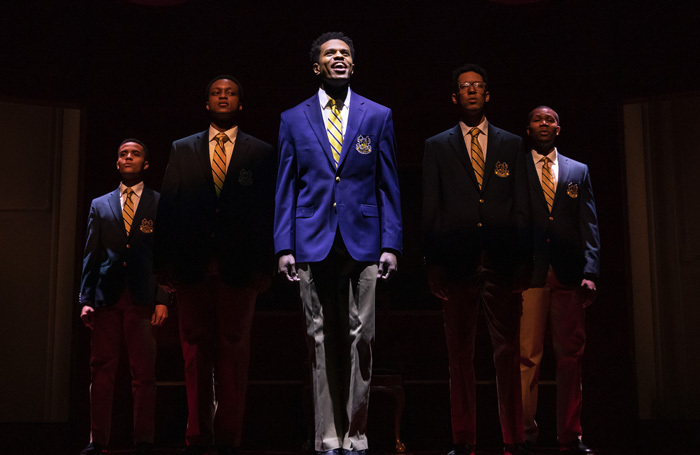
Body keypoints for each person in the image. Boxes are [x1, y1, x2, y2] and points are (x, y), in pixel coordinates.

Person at [274, 32, 402, 455]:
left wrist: (391, 244)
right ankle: (327, 436)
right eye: (331, 53)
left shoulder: (377, 115)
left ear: (354, 63)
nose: (340, 58)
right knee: (318, 337)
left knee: (361, 335)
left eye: (346, 52)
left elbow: (388, 185)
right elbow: (286, 188)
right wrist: (284, 246)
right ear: (317, 66)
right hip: (312, 240)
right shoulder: (293, 118)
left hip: (364, 240)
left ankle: (357, 435)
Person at [154, 75, 276, 455]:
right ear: (207, 104)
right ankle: (197, 435)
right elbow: (168, 210)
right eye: (216, 93)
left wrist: (266, 265)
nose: (223, 97)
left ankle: (228, 438)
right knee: (194, 352)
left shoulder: (261, 151)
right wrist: (163, 266)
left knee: (234, 352)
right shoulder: (182, 149)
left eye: (231, 93)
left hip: (240, 269)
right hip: (191, 267)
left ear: (240, 103)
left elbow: (268, 213)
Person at [422, 64, 532, 455]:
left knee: (507, 352)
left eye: (478, 86)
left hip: (502, 259)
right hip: (456, 262)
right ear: (455, 97)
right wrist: (433, 263)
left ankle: (513, 438)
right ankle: (464, 439)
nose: (471, 91)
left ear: (488, 95)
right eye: (464, 87)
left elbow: (522, 205)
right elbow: (431, 209)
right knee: (459, 355)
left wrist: (523, 259)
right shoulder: (437, 145)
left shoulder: (512, 143)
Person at [79, 139, 169, 455]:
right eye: (122, 154)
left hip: (143, 297)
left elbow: (164, 254)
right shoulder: (100, 205)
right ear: (117, 163)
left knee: (144, 373)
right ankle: (97, 439)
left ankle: (143, 440)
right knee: (101, 370)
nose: (128, 157)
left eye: (135, 153)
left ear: (145, 164)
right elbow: (91, 254)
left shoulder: (159, 203)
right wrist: (86, 298)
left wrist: (162, 297)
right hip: (106, 297)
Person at [519, 106, 599, 455]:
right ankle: (524, 433)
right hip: (530, 273)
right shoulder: (516, 168)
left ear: (559, 128)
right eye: (538, 119)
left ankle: (570, 435)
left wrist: (591, 271)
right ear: (528, 128)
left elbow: (589, 224)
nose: (544, 124)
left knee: (570, 357)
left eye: (550, 119)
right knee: (527, 356)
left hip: (568, 274)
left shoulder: (577, 170)